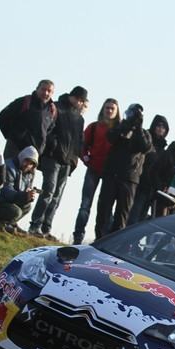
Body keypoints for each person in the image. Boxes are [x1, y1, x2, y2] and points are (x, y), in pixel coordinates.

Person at [28, 86, 86, 240]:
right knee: (48, 191)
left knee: (57, 196)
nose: (80, 103)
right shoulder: (57, 108)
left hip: (67, 162)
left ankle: (46, 228)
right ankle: (35, 225)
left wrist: (74, 160)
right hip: (53, 158)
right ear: (73, 97)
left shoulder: (80, 119)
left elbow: (79, 141)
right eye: (79, 99)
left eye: (82, 101)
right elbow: (48, 129)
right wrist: (53, 146)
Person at [94, 103, 152, 236]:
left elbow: (145, 147)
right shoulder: (120, 127)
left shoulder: (144, 133)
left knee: (122, 215)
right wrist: (125, 125)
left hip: (129, 179)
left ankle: (113, 243)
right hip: (111, 175)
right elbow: (110, 137)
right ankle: (99, 238)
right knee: (103, 211)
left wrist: (138, 127)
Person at [72, 98, 119, 244]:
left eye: (112, 108)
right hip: (93, 169)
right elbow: (82, 145)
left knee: (106, 207)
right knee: (85, 204)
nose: (109, 111)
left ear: (117, 112)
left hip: (110, 173)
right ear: (103, 109)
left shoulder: (119, 131)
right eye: (107, 108)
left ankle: (104, 238)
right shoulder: (93, 127)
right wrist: (85, 158)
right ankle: (78, 237)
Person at [0, 79, 57, 158]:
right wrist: (12, 137)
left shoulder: (52, 110)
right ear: (37, 89)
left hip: (34, 153)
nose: (45, 93)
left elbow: (49, 130)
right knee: (10, 170)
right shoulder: (24, 102)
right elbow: (2, 117)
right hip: (15, 148)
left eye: (49, 91)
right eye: (43, 89)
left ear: (52, 93)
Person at [0, 146, 38, 232]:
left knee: (27, 206)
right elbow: (6, 191)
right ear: (22, 157)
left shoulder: (29, 175)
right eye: (26, 161)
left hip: (10, 202)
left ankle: (7, 224)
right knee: (16, 211)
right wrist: (24, 196)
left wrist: (28, 196)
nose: (28, 165)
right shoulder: (9, 167)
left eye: (31, 163)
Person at [128, 114, 169, 224]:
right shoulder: (145, 140)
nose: (160, 129)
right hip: (138, 184)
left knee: (141, 220)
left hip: (151, 189)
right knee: (132, 216)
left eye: (163, 127)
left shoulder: (164, 150)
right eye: (158, 126)